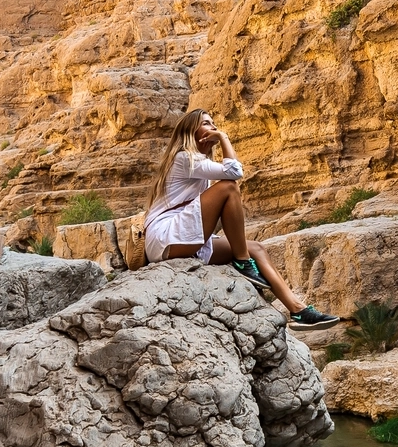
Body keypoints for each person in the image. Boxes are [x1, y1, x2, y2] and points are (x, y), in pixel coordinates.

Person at [144, 108, 339, 330]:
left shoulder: (197, 164)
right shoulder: (183, 158)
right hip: (166, 236)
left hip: (177, 237)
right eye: (207, 124)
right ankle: (242, 262)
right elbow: (234, 172)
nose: (214, 128)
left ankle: (298, 310)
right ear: (192, 131)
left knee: (256, 248)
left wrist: (218, 137)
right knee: (228, 188)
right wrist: (223, 137)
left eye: (214, 124)